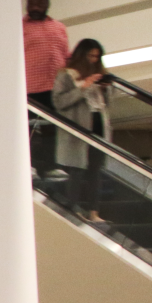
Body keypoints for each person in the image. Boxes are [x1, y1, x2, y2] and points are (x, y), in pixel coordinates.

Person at [52, 38, 112, 222]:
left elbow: (106, 105)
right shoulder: (66, 75)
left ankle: (94, 211)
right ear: (81, 55)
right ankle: (72, 208)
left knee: (95, 169)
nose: (93, 60)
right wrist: (83, 87)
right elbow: (59, 102)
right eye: (90, 56)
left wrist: (106, 88)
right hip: (78, 127)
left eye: (97, 56)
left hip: (98, 124)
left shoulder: (99, 73)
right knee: (77, 168)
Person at [22, 0, 68, 177]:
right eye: (31, 3)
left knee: (51, 129)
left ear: (47, 5)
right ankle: (28, 165)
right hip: (29, 87)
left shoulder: (59, 27)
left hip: (54, 87)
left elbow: (66, 54)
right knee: (28, 129)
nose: (34, 7)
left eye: (39, 4)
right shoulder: (18, 26)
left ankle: (50, 166)